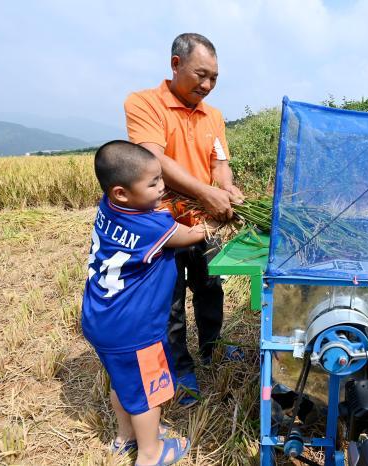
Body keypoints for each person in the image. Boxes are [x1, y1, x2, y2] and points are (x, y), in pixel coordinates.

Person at [124, 33, 245, 406]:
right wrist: (204, 193)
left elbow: (218, 162)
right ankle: (180, 369)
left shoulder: (214, 116)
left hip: (204, 224)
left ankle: (213, 347)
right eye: (200, 75)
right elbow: (154, 159)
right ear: (175, 65)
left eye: (214, 79)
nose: (207, 86)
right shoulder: (144, 103)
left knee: (210, 287)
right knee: (170, 303)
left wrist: (225, 189)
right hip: (163, 224)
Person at [82, 140, 207, 465]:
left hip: (100, 318)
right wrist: (211, 219)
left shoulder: (109, 207)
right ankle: (151, 453)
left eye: (161, 179)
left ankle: (126, 438)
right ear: (122, 192)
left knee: (122, 382)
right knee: (148, 395)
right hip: (134, 329)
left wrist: (153, 195)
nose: (162, 188)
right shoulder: (153, 226)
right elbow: (192, 236)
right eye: (153, 184)